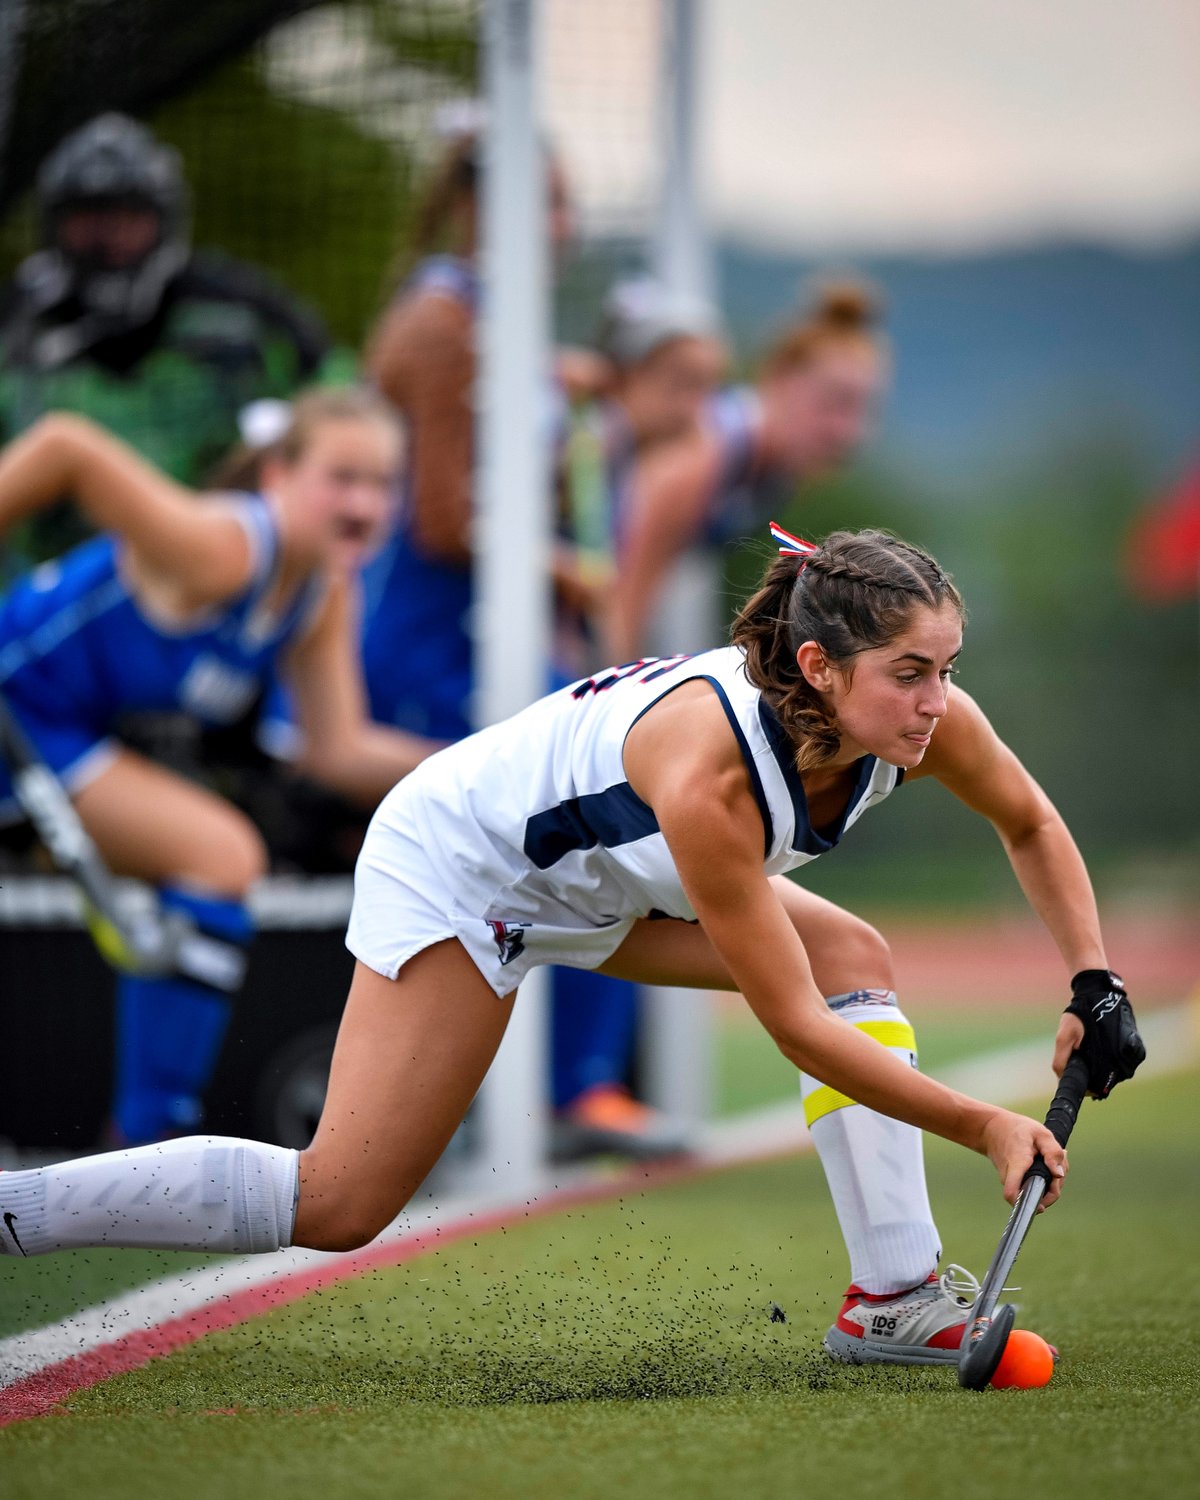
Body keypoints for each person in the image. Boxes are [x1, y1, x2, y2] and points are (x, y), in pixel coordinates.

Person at [0, 526, 1145, 1370]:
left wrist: (1094, 981)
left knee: (852, 952)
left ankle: (891, 1301)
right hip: (463, 867)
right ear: (816, 669)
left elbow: (1030, 822)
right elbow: (792, 1023)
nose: (938, 702)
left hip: (598, 884)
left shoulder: (916, 717)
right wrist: (982, 1122)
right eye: (911, 673)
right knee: (342, 1202)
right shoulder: (710, 776)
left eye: (945, 668)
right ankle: (19, 1211)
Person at [360, 133, 688, 1159]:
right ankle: (560, 1092)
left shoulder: (496, 326)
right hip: (428, 647)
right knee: (625, 789)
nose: (562, 227)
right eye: (543, 203)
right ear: (474, 207)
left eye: (564, 204)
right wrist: (568, 569)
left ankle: (573, 1087)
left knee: (636, 782)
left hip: (488, 645)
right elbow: (444, 524)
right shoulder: (440, 324)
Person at [0, 391, 434, 1145]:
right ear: (277, 475)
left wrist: (491, 762)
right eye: (343, 477)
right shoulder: (226, 548)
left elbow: (339, 749)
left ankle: (147, 1139)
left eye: (383, 483)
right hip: (17, 710)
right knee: (219, 853)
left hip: (51, 737)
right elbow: (68, 444)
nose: (365, 504)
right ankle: (148, 1144)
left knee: (220, 854)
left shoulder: (321, 592)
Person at [0, 113, 338, 566]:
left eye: (128, 217)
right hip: (40, 589)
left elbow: (339, 407)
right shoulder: (17, 323)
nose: (109, 239)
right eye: (90, 217)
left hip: (202, 571)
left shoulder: (243, 316)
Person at [606, 281, 888, 663]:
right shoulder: (703, 455)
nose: (847, 432)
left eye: (862, 409)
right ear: (778, 379)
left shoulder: (773, 474)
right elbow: (618, 603)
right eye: (833, 402)